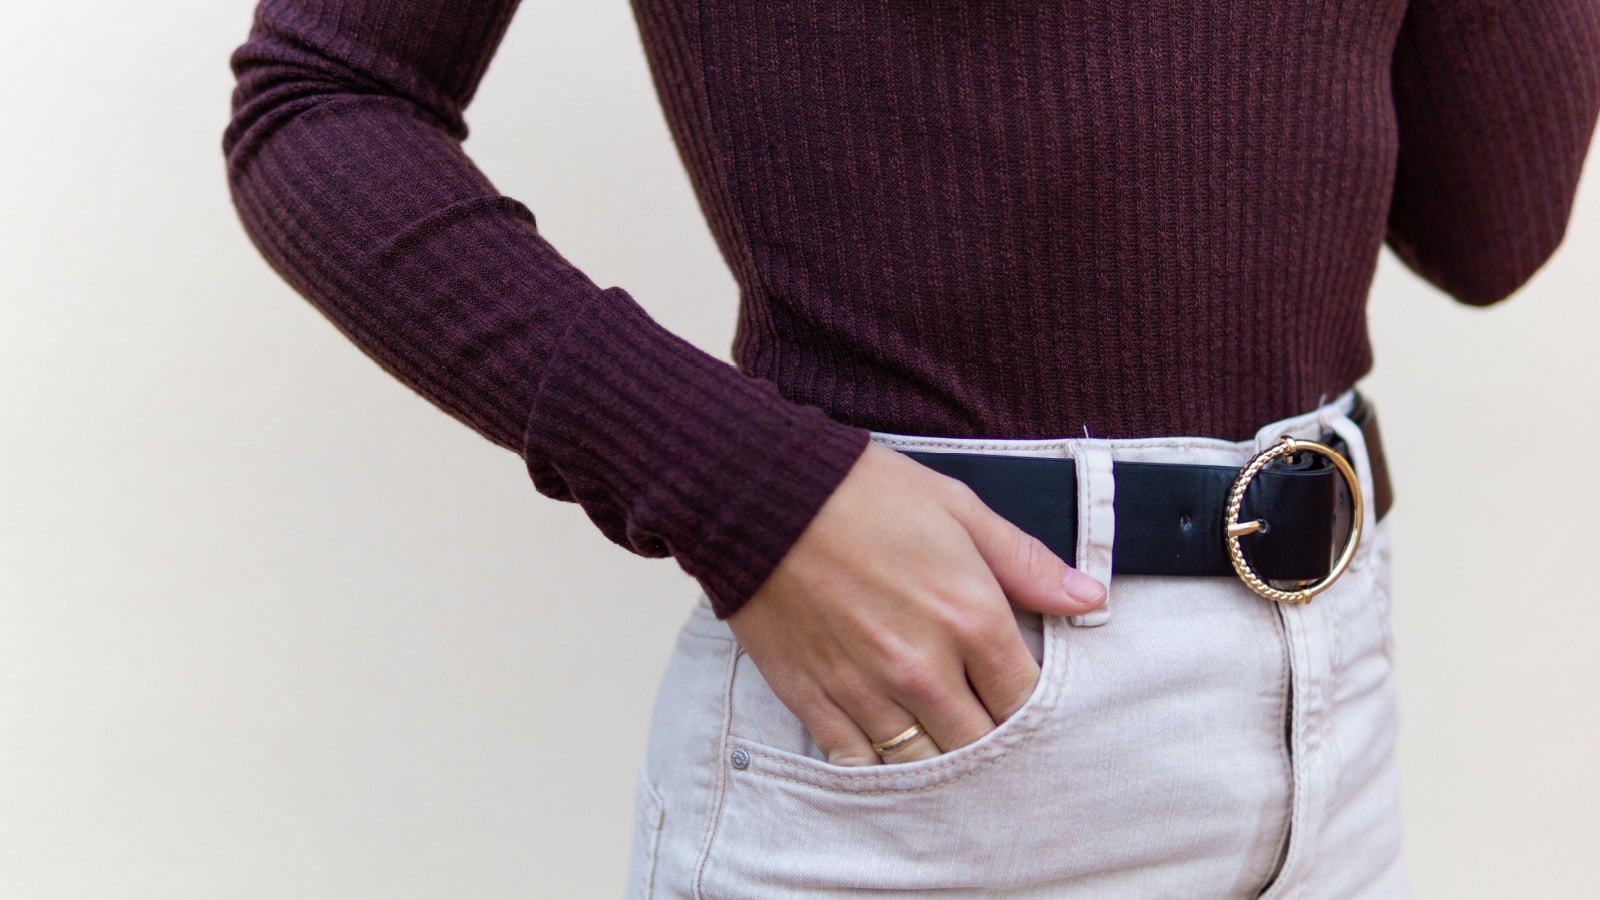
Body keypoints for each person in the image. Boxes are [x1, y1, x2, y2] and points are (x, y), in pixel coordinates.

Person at [223, 1, 1600, 896]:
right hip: (931, 743)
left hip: (1330, 714)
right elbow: (322, 94)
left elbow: (1493, 224)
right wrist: (737, 486)